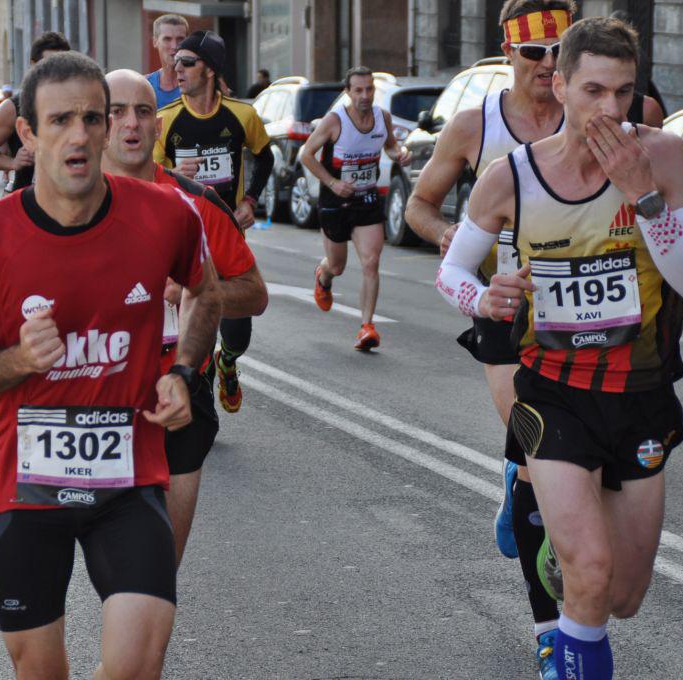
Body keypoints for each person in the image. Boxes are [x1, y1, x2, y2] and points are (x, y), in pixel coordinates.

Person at [435, 17, 683, 679]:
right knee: (589, 575)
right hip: (554, 394)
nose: (610, 109)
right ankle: (565, 567)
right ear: (559, 87)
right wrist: (485, 298)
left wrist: (643, 196)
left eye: (624, 92)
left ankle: (562, 556)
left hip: (641, 396)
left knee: (624, 595)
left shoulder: (664, 158)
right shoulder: (512, 177)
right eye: (594, 90)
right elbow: (452, 271)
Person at [0, 52, 221, 680]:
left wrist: (183, 371)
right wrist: (19, 358)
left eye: (93, 118)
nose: (81, 135)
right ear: (28, 134)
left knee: (137, 665)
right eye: (60, 120)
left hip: (128, 480)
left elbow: (206, 291)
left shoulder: (165, 214)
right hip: (24, 486)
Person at [405, 1, 570, 674]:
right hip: (502, 310)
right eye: (535, 53)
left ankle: (514, 474)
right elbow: (419, 205)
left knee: (559, 461)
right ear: (509, 52)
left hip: (576, 314)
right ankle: (550, 629)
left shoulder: (592, 115)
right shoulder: (477, 125)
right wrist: (448, 234)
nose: (549, 64)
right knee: (540, 444)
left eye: (560, 49)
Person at [101, 68, 268, 565]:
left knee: (159, 570)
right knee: (109, 564)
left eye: (143, 112)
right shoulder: (68, 204)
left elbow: (254, 294)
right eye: (116, 112)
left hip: (180, 386)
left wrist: (198, 289)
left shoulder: (196, 202)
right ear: (97, 124)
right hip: (99, 392)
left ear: (158, 127)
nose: (131, 123)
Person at [155, 29, 274, 413]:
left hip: (227, 235)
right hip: (184, 239)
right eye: (176, 62)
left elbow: (265, 156)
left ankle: (229, 361)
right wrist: (175, 172)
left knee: (238, 332)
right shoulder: (167, 120)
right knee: (194, 325)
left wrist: (250, 200)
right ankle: (199, 404)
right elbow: (150, 177)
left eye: (187, 63)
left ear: (209, 69)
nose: (178, 70)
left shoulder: (242, 115)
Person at [299, 66, 411, 351]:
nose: (365, 95)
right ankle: (323, 276)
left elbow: (390, 146)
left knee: (371, 262)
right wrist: (332, 182)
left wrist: (399, 153)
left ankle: (366, 327)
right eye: (358, 90)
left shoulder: (382, 117)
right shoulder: (335, 121)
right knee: (337, 265)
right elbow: (306, 154)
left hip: (366, 199)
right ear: (348, 92)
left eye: (369, 89)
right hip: (335, 202)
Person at [0, 32, 71, 193]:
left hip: (74, 200)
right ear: (34, 65)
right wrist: (12, 163)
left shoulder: (79, 104)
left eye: (62, 65)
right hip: (27, 199)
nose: (56, 72)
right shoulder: (14, 107)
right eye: (48, 65)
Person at [146, 14, 188, 108]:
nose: (174, 46)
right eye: (167, 39)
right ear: (155, 42)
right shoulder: (145, 85)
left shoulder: (199, 86)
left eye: (180, 39)